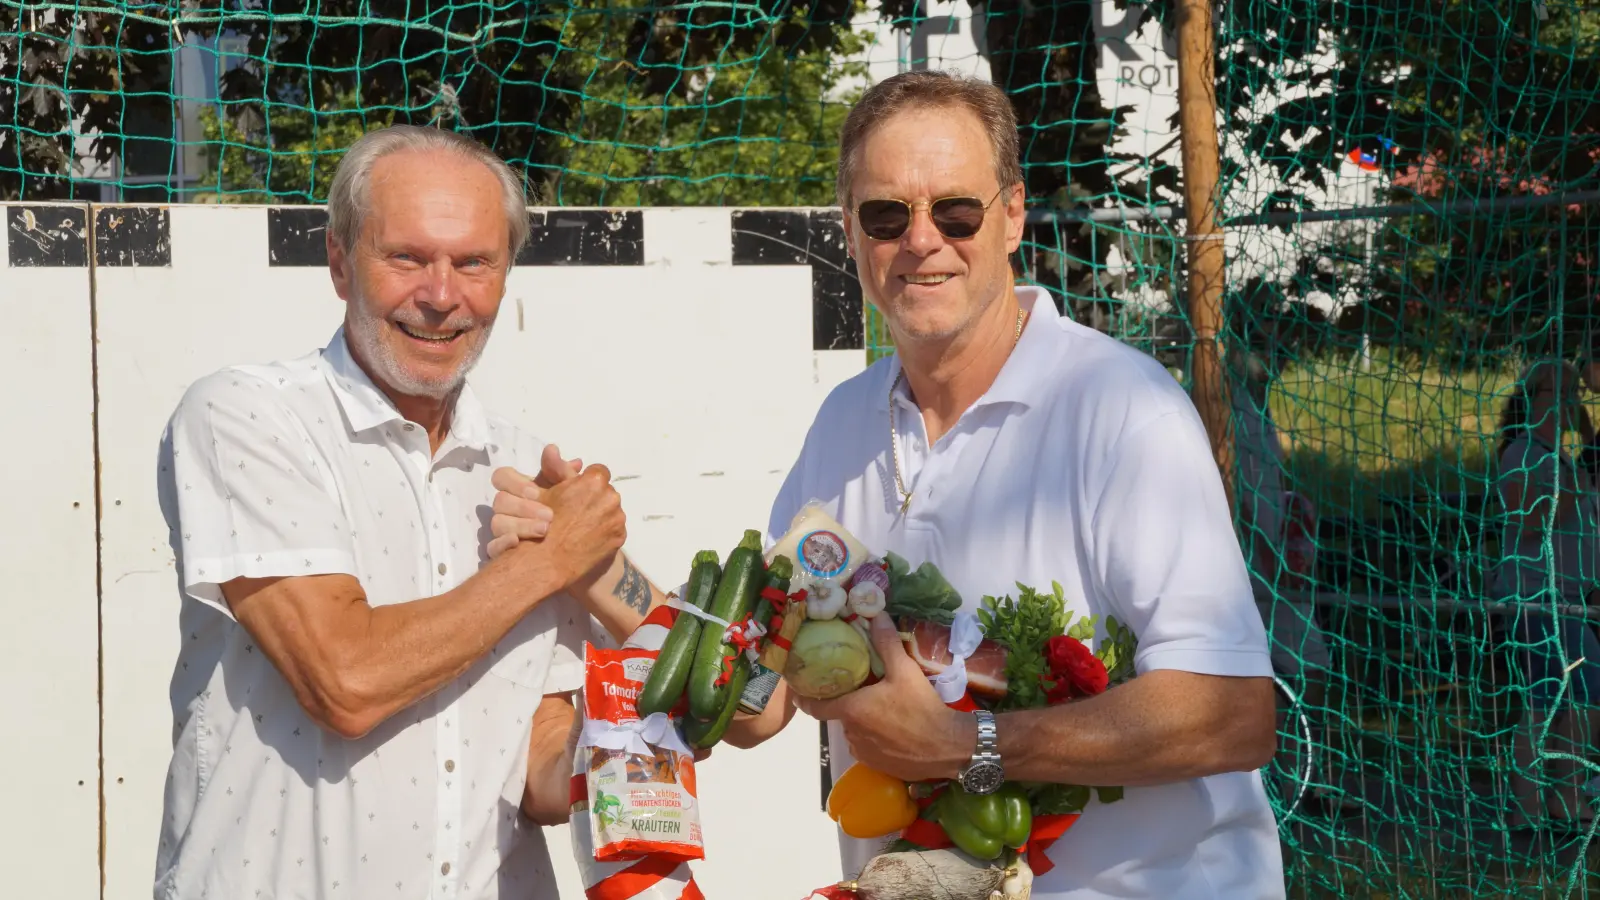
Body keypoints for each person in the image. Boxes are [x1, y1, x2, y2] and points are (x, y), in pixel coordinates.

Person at [731, 70, 1284, 898]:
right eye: (886, 215)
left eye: (956, 211)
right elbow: (759, 696)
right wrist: (591, 572)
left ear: (1014, 215)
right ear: (849, 231)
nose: (921, 241)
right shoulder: (842, 423)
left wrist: (967, 744)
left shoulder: (1121, 410)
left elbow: (1233, 713)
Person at [153, 125, 672, 899]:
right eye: (406, 258)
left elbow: (534, 752)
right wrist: (553, 561)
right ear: (338, 261)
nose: (440, 295)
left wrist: (617, 753)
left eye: (473, 263)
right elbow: (345, 679)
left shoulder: (529, 471)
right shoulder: (246, 416)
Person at [1492, 358, 1600, 831]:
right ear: (1531, 401)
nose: (1567, 404)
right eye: (1556, 395)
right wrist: (1571, 491)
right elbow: (1527, 525)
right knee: (1565, 700)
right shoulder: (1523, 452)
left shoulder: (1554, 456)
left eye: (1573, 395)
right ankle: (1537, 805)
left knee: (1568, 701)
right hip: (1536, 601)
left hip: (1567, 600)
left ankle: (1553, 802)